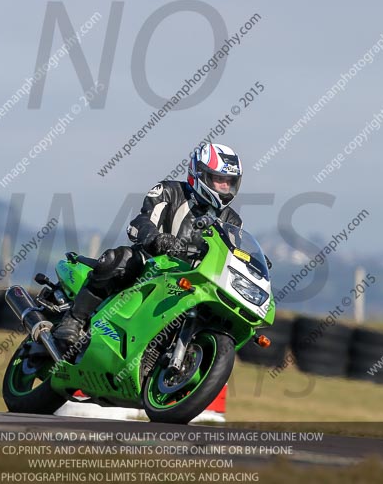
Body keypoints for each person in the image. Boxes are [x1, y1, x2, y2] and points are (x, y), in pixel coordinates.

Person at [52, 142, 244, 349]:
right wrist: (156, 239)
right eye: (219, 179)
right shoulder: (170, 191)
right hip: (151, 264)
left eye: (230, 181)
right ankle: (74, 319)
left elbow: (231, 255)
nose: (225, 187)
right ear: (199, 174)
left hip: (191, 280)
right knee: (121, 259)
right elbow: (140, 222)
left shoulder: (232, 221)